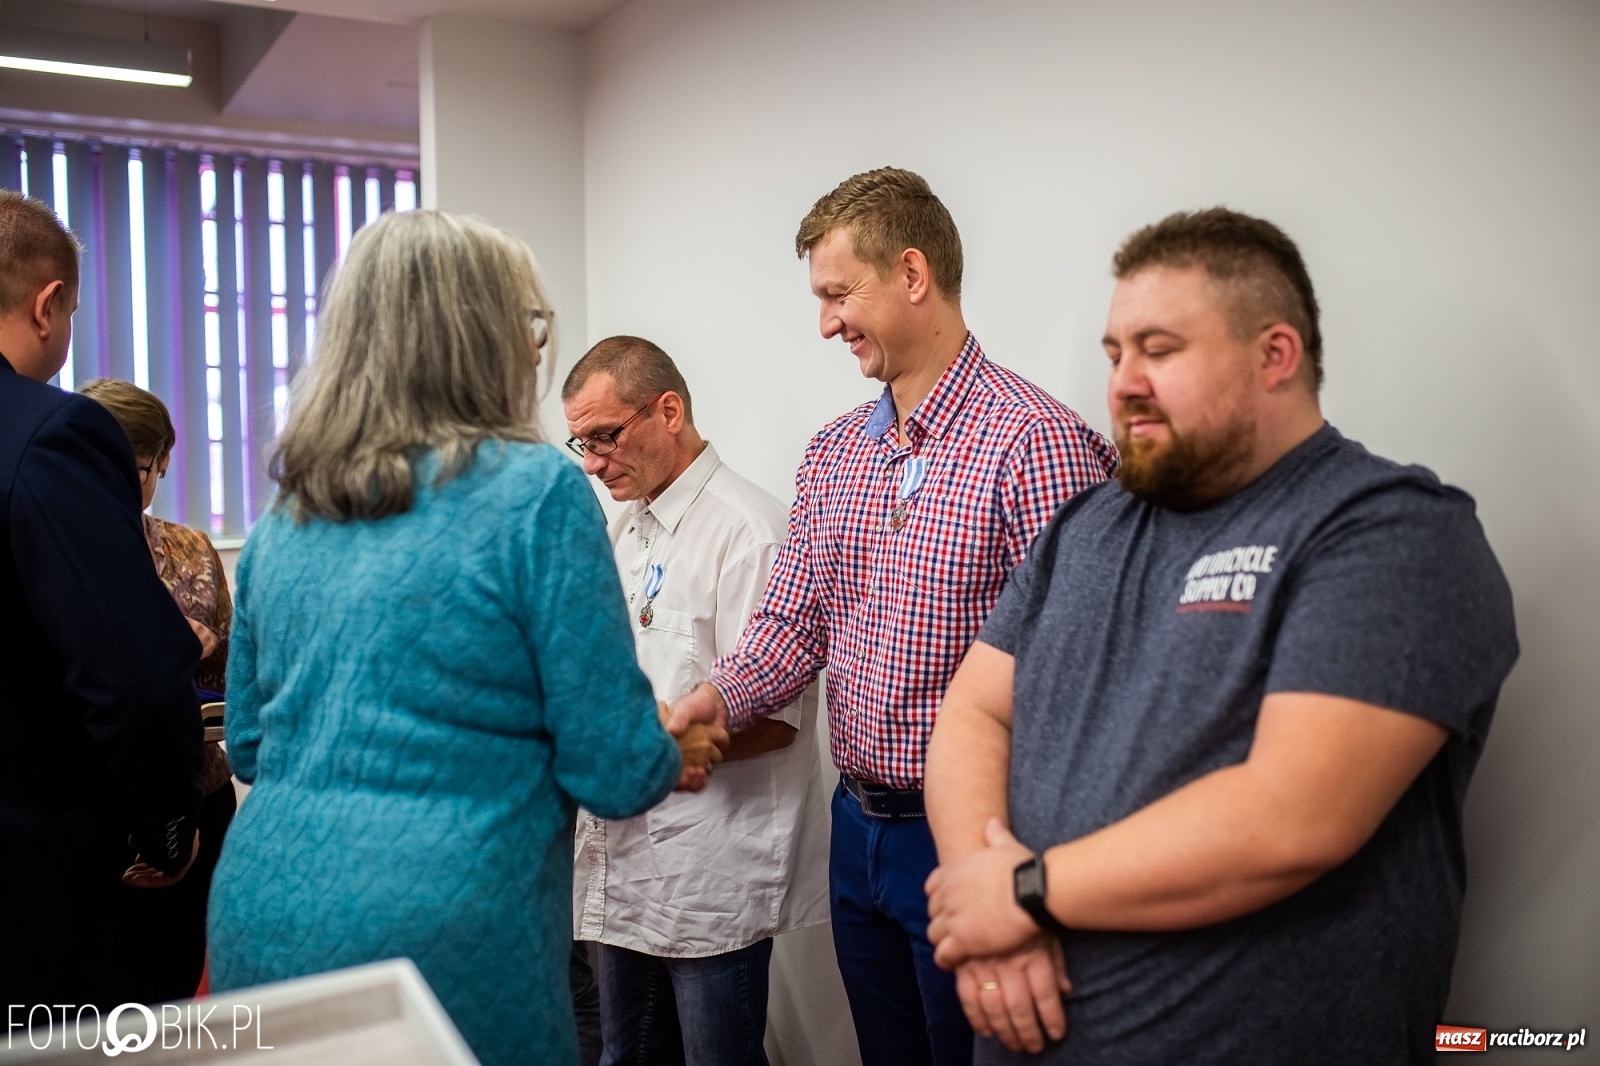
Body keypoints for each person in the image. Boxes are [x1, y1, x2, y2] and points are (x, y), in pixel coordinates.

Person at [922, 208, 1519, 1065]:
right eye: (1114, 353)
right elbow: (976, 710)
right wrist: (993, 916)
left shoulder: (1390, 532)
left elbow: (1294, 815)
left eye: (1159, 350)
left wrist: (1024, 893)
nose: (1124, 380)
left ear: (1275, 356)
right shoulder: (1088, 525)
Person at [205, 209, 727, 1066]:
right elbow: (613, 766)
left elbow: (254, 744)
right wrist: (670, 744)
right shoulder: (536, 494)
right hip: (448, 934)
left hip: (265, 914)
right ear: (482, 336)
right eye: (527, 324)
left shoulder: (287, 512)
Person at [669, 167, 1118, 1066]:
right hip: (857, 833)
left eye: (839, 294)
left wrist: (1029, 869)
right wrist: (718, 700)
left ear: (912, 275)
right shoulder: (835, 452)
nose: (827, 323)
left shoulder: (1040, 444)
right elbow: (793, 626)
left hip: (976, 839)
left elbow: (1081, 677)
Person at [564, 336, 830, 1066]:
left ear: (669, 411)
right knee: (627, 1057)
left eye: (604, 438)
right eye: (579, 443)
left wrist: (647, 756)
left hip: (708, 868)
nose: (590, 463)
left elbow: (776, 721)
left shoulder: (749, 532)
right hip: (623, 854)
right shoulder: (627, 529)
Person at [0, 190, 202, 1010]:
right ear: (48, 305)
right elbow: (131, 674)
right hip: (32, 876)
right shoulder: (53, 434)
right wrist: (165, 823)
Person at [80, 377, 238, 1004]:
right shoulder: (59, 549)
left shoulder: (193, 550)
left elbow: (232, 677)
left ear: (164, 461)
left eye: (138, 468)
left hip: (200, 790)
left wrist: (202, 650)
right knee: (100, 998)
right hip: (99, 805)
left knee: (178, 984)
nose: (121, 485)